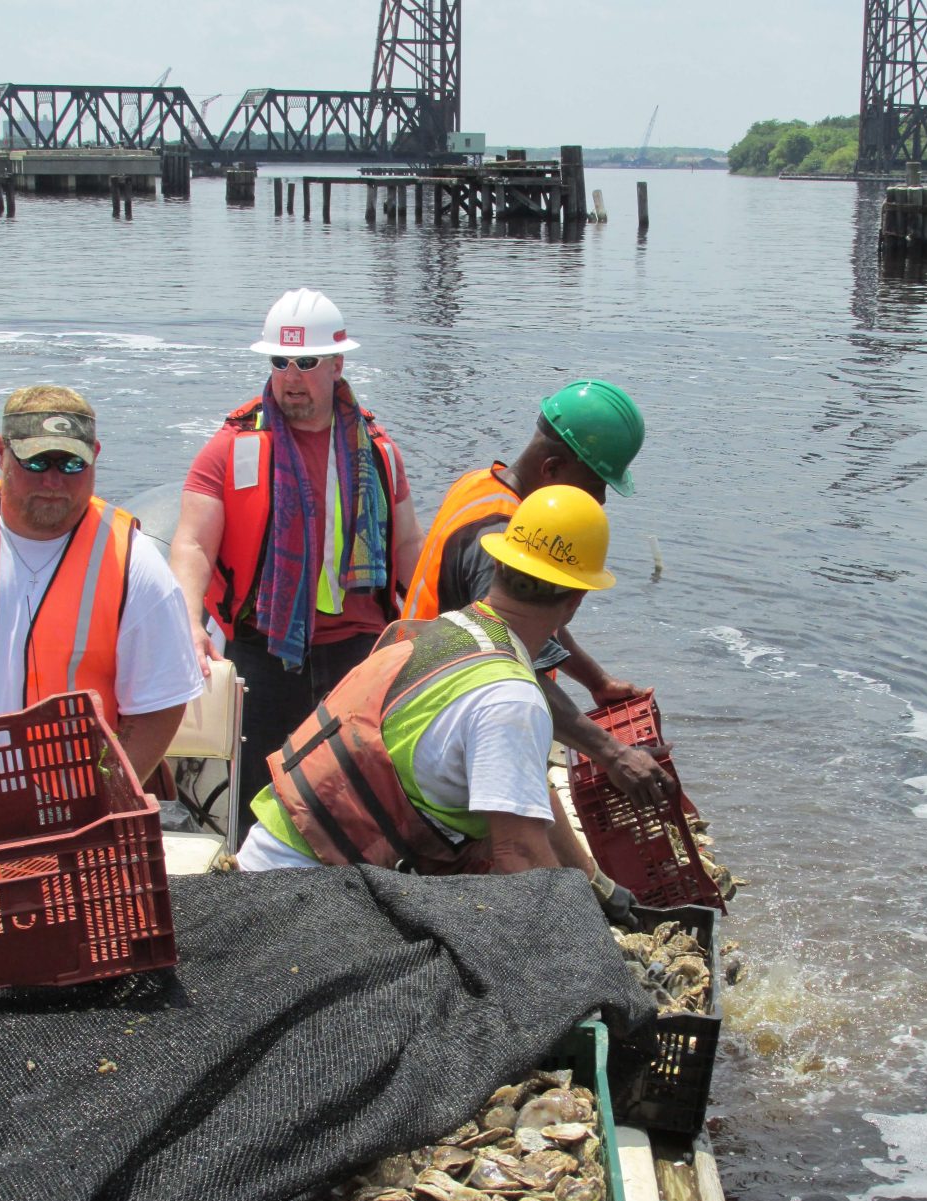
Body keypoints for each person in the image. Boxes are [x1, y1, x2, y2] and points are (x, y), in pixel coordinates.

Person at [236, 485, 637, 924]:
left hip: (265, 861)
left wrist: (596, 885)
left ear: (499, 567)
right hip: (302, 900)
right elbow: (518, 856)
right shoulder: (512, 698)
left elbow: (529, 791)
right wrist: (587, 943)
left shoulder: (448, 634)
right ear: (576, 600)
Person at [169, 287, 425, 843]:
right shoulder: (230, 447)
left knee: (359, 802)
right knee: (256, 804)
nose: (290, 375)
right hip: (264, 649)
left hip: (359, 649)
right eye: (279, 361)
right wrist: (187, 623)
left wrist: (442, 630)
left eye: (306, 362)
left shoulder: (378, 452)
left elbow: (408, 549)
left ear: (337, 364)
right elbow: (191, 544)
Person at [402, 380, 673, 808]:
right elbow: (503, 660)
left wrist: (596, 681)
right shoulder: (499, 538)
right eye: (596, 483)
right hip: (441, 719)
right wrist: (612, 753)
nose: (601, 500)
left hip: (428, 691)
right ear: (551, 469)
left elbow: (530, 616)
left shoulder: (482, 486)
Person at [0, 385, 201, 783]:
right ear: (1, 451)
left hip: (66, 812)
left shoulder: (133, 562)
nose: (53, 481)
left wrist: (106, 797)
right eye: (36, 463)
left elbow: (160, 706)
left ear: (95, 455)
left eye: (71, 465)